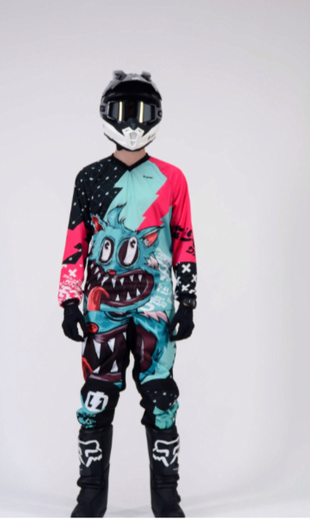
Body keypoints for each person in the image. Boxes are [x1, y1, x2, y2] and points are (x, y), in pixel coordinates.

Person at [57, 70, 197, 518]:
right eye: (123, 111)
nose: (132, 122)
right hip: (102, 309)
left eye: (142, 112)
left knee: (161, 396)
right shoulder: (89, 178)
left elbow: (184, 240)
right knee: (97, 396)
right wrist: (68, 301)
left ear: (156, 116)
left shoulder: (172, 179)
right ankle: (90, 496)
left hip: (156, 308)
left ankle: (167, 498)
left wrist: (188, 301)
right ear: (107, 114)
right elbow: (76, 242)